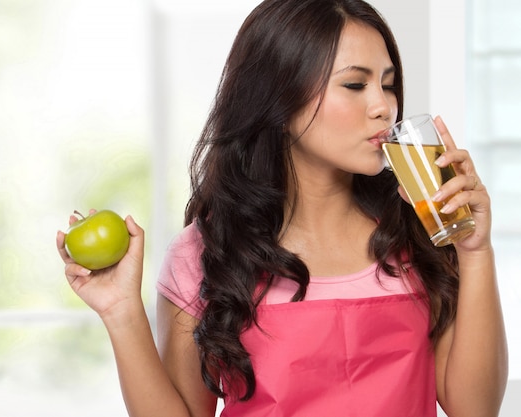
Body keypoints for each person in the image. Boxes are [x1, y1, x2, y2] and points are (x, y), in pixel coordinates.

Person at [56, 0, 508, 415]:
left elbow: (475, 408)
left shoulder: (423, 231)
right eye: (355, 84)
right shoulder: (207, 253)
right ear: (279, 96)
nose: (383, 107)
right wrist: (121, 313)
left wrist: (474, 251)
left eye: (388, 85)